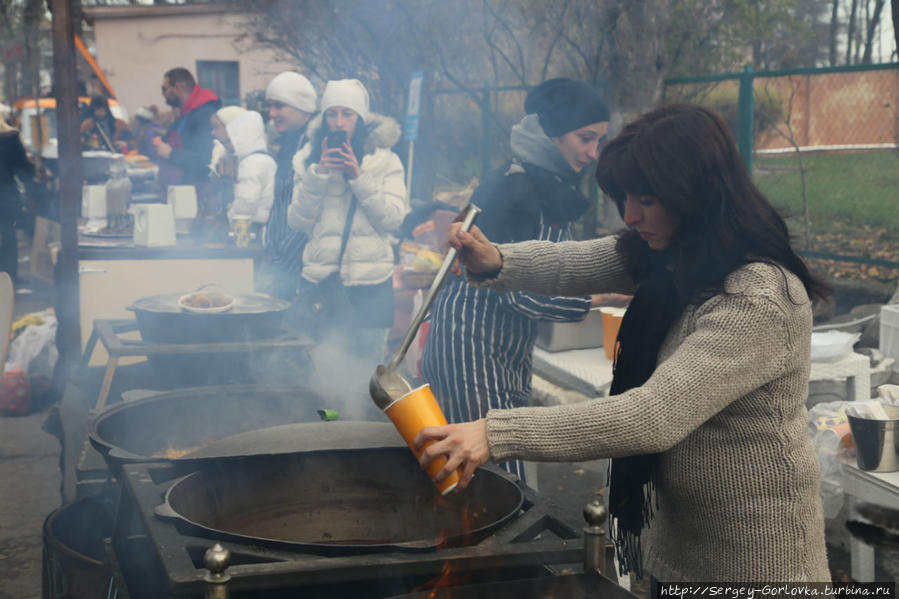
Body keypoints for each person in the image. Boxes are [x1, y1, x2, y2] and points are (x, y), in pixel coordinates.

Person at [415, 103, 832, 582]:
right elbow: (576, 261)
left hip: (756, 564)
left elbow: (651, 416)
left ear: (696, 194)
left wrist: (495, 433)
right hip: (677, 546)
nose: (631, 215)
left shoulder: (757, 297)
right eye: (626, 197)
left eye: (647, 199)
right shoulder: (677, 254)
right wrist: (496, 260)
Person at [420, 78, 621, 484]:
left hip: (501, 350)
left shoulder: (543, 181)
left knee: (485, 480)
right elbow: (522, 289)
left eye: (598, 141)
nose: (593, 153)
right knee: (500, 483)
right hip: (472, 352)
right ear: (553, 132)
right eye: (585, 138)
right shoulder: (519, 187)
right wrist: (604, 294)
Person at [288, 78, 408, 416]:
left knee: (364, 384)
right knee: (324, 383)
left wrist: (358, 176)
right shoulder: (307, 161)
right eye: (332, 114)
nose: (339, 123)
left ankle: (358, 446)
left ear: (361, 118)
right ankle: (326, 447)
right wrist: (319, 174)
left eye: (348, 114)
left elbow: (393, 219)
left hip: (370, 290)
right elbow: (297, 221)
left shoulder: (386, 162)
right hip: (323, 288)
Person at [262, 71, 317, 302]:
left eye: (279, 106)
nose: (272, 114)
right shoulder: (288, 143)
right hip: (281, 262)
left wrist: (281, 260)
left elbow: (307, 211)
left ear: (302, 107)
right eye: (270, 106)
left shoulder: (313, 147)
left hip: (300, 268)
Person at [153, 67, 220, 189]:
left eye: (164, 88)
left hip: (196, 191)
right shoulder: (186, 114)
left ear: (178, 88)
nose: (163, 93)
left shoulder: (205, 115)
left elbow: (206, 159)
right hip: (180, 188)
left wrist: (171, 154)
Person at [221, 110, 276, 235]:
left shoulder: (250, 163)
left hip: (251, 227)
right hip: (266, 224)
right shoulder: (266, 159)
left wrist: (229, 218)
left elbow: (247, 201)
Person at [0, 118, 34, 283]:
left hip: (6, 195)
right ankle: (9, 278)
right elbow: (25, 171)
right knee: (8, 235)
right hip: (6, 195)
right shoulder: (10, 138)